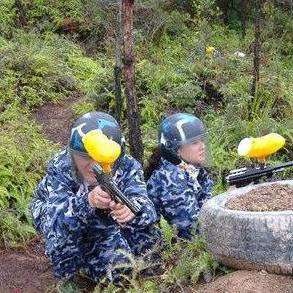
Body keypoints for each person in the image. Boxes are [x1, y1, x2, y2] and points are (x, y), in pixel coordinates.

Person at [30, 111, 160, 284]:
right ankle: (69, 276)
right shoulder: (61, 166)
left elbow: (148, 209)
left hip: (102, 219)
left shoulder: (128, 166)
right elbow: (55, 221)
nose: (93, 165)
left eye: (101, 158)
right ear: (72, 153)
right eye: (85, 157)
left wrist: (131, 209)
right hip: (52, 213)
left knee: (139, 249)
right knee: (63, 240)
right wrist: (88, 201)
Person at [146, 113, 213, 240]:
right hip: (162, 253)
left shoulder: (193, 170)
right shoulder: (170, 178)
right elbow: (193, 231)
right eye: (194, 142)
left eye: (202, 141)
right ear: (176, 149)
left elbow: (207, 207)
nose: (202, 146)